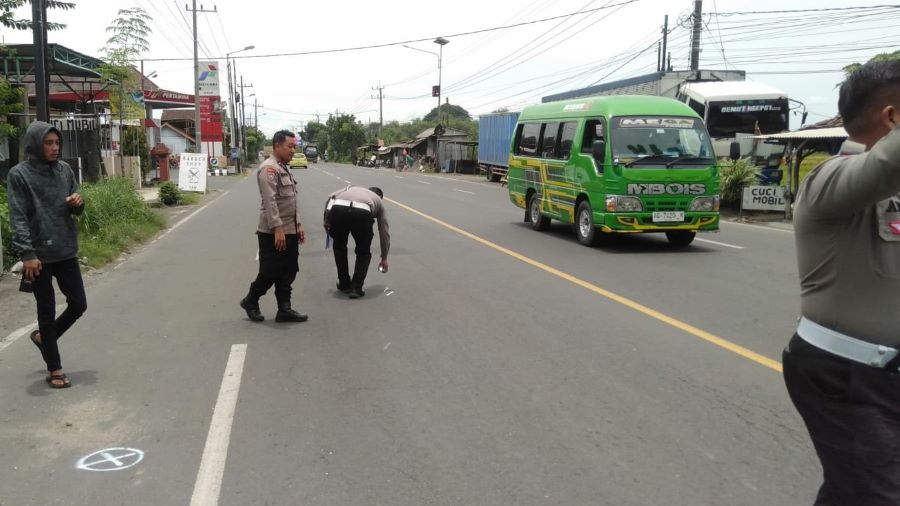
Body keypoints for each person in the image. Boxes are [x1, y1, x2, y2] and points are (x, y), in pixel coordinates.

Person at [783, 59, 900, 505]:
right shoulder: (827, 180)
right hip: (846, 377)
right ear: (892, 117)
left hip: (884, 376)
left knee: (851, 491)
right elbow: (884, 165)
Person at [7, 121, 86, 389]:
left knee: (79, 304)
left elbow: (77, 205)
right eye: (48, 143)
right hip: (38, 256)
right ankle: (55, 368)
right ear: (35, 144)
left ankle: (44, 338)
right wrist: (27, 252)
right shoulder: (19, 175)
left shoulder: (64, 170)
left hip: (65, 249)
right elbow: (18, 216)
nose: (55, 148)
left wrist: (78, 202)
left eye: (57, 143)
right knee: (47, 310)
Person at [239, 130, 308, 323]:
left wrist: (298, 225)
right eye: (289, 146)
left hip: (290, 229)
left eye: (294, 147)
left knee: (289, 270)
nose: (293, 150)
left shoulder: (283, 168)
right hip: (272, 232)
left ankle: (284, 309)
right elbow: (270, 202)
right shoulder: (269, 169)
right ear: (277, 146)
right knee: (269, 271)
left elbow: (291, 201)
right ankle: (250, 300)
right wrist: (278, 228)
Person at [323, 185, 390, 298]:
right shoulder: (379, 201)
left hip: (338, 209)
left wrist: (326, 221)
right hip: (362, 213)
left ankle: (344, 284)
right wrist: (384, 257)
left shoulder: (350, 188)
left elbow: (331, 197)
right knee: (363, 252)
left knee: (339, 247)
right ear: (380, 197)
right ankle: (356, 288)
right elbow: (384, 231)